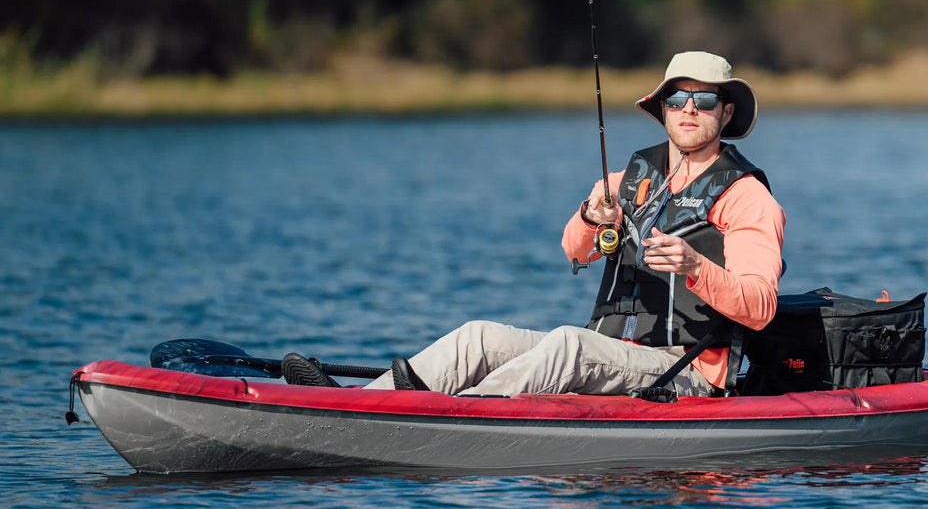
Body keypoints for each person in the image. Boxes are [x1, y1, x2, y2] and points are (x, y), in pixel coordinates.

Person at [282, 51, 785, 397]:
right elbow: (574, 250)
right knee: (477, 337)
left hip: (688, 371)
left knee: (567, 344)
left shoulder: (746, 197)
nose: (689, 110)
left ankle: (441, 418)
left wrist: (697, 266)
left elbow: (761, 308)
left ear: (727, 110)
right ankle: (363, 405)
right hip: (613, 349)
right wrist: (592, 218)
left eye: (704, 100)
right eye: (678, 99)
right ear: (663, 110)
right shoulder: (627, 179)